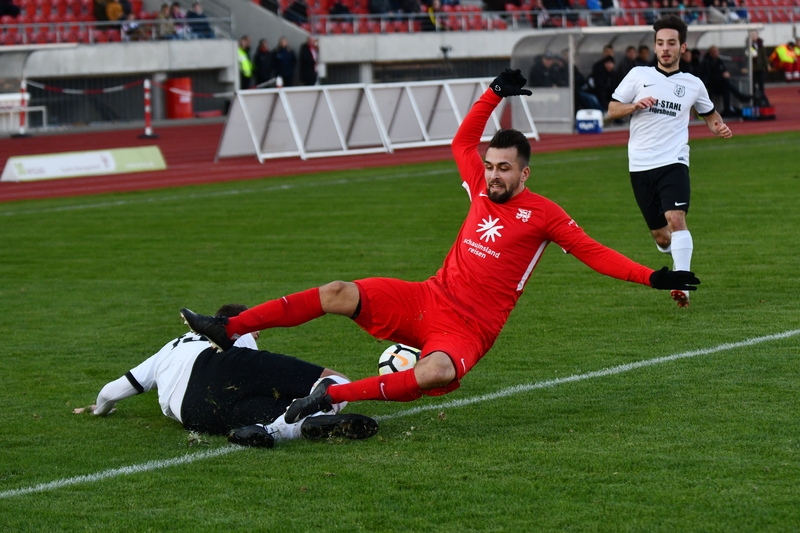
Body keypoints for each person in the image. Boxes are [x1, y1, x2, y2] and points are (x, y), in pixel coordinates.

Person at [180, 68, 700, 425]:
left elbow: (594, 253)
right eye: (490, 166)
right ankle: (228, 327)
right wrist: (494, 92)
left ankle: (326, 397)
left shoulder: (544, 214)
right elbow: (461, 141)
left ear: (524, 172)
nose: (492, 175)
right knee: (339, 290)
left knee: (432, 373)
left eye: (504, 169)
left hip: (469, 328)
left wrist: (654, 277)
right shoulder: (477, 183)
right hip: (425, 298)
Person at [94, 304, 379, 448]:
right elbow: (246, 357)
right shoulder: (234, 336)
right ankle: (328, 399)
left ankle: (293, 426)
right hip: (219, 368)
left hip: (194, 414)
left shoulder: (165, 351)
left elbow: (109, 392)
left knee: (279, 417)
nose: (257, 334)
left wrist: (99, 410)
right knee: (340, 382)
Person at [607, 15, 731, 308]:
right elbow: (612, 109)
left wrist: (718, 126)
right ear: (655, 46)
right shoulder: (638, 75)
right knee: (662, 237)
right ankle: (669, 247)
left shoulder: (693, 84)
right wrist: (633, 106)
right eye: (660, 43)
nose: (665, 48)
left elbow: (710, 114)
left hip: (674, 161)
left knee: (677, 219)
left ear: (682, 47)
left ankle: (682, 283)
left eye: (671, 43)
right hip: (640, 165)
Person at [700, 45, 750, 117]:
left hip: (720, 84)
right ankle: (740, 96)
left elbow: (724, 70)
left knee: (726, 88)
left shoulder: (719, 61)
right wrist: (721, 75)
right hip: (711, 85)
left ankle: (727, 110)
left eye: (717, 52)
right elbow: (709, 75)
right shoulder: (707, 62)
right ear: (711, 53)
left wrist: (726, 73)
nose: (717, 53)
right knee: (726, 83)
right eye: (715, 52)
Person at [746, 31, 768, 105]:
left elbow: (763, 56)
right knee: (752, 86)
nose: (754, 36)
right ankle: (754, 101)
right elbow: (746, 55)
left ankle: (762, 101)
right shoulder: (748, 44)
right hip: (752, 69)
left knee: (761, 85)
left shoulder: (760, 44)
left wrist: (766, 65)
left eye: (755, 35)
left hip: (760, 68)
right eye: (752, 35)